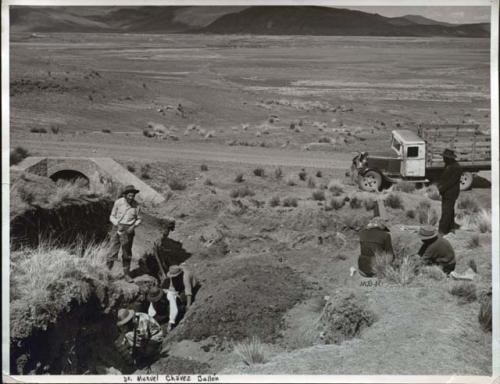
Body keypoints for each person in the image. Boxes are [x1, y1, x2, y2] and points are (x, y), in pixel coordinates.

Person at [108, 185, 142, 279]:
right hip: (117, 227)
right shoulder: (118, 202)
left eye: (133, 196)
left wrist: (134, 226)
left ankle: (126, 274)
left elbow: (139, 219)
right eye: (129, 195)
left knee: (127, 253)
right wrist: (117, 224)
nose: (131, 198)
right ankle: (107, 272)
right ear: (125, 195)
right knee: (112, 251)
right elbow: (112, 216)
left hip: (129, 230)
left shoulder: (137, 205)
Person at [163, 265, 197, 331]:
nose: (173, 278)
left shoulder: (185, 277)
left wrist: (188, 305)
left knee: (182, 297)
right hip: (181, 287)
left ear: (179, 274)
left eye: (174, 276)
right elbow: (171, 286)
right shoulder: (174, 276)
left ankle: (182, 309)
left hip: (192, 286)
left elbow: (188, 291)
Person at [438, 148, 462, 235]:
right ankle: (451, 228)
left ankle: (442, 230)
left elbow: (451, 182)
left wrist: (441, 189)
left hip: (451, 193)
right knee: (449, 210)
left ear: (449, 158)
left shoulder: (456, 167)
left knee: (446, 211)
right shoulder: (448, 165)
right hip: (447, 192)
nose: (443, 159)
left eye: (444, 157)